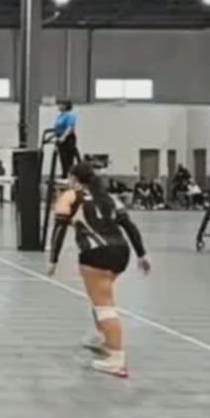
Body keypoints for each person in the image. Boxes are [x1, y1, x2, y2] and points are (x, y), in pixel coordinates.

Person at [48, 162, 151, 378]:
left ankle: (116, 358)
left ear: (74, 179)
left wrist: (53, 260)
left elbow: (59, 228)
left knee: (104, 306)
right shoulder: (110, 198)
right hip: (121, 253)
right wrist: (142, 254)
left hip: (96, 253)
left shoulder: (71, 196)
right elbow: (129, 226)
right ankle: (103, 338)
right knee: (101, 298)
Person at [53, 100, 80, 178]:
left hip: (68, 139)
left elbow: (70, 127)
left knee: (68, 160)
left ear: (65, 106)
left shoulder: (70, 115)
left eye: (60, 104)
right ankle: (65, 175)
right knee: (63, 159)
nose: (58, 106)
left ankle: (69, 176)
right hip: (60, 139)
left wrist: (63, 137)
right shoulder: (61, 116)